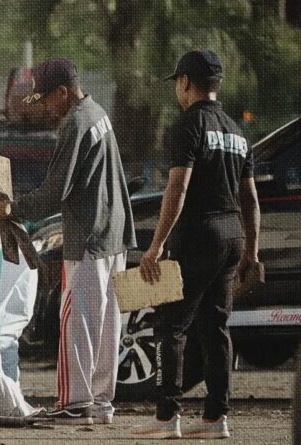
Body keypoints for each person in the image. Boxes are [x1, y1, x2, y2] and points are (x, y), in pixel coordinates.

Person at [0, 58, 136, 425]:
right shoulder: (97, 113)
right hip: (112, 235)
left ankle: (75, 402)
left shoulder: (75, 122)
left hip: (87, 239)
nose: (43, 107)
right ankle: (101, 404)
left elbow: (56, 191)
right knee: (107, 325)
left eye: (46, 99)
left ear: (62, 92)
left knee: (77, 322)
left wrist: (13, 208)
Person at [131, 49, 260, 440]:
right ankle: (216, 418)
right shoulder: (237, 132)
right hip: (232, 236)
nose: (177, 91)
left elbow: (178, 186)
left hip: (198, 237)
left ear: (185, 82)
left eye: (178, 84)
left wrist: (155, 246)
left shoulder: (188, 125)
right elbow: (250, 198)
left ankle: (167, 416)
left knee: (171, 326)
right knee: (216, 327)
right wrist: (252, 253)